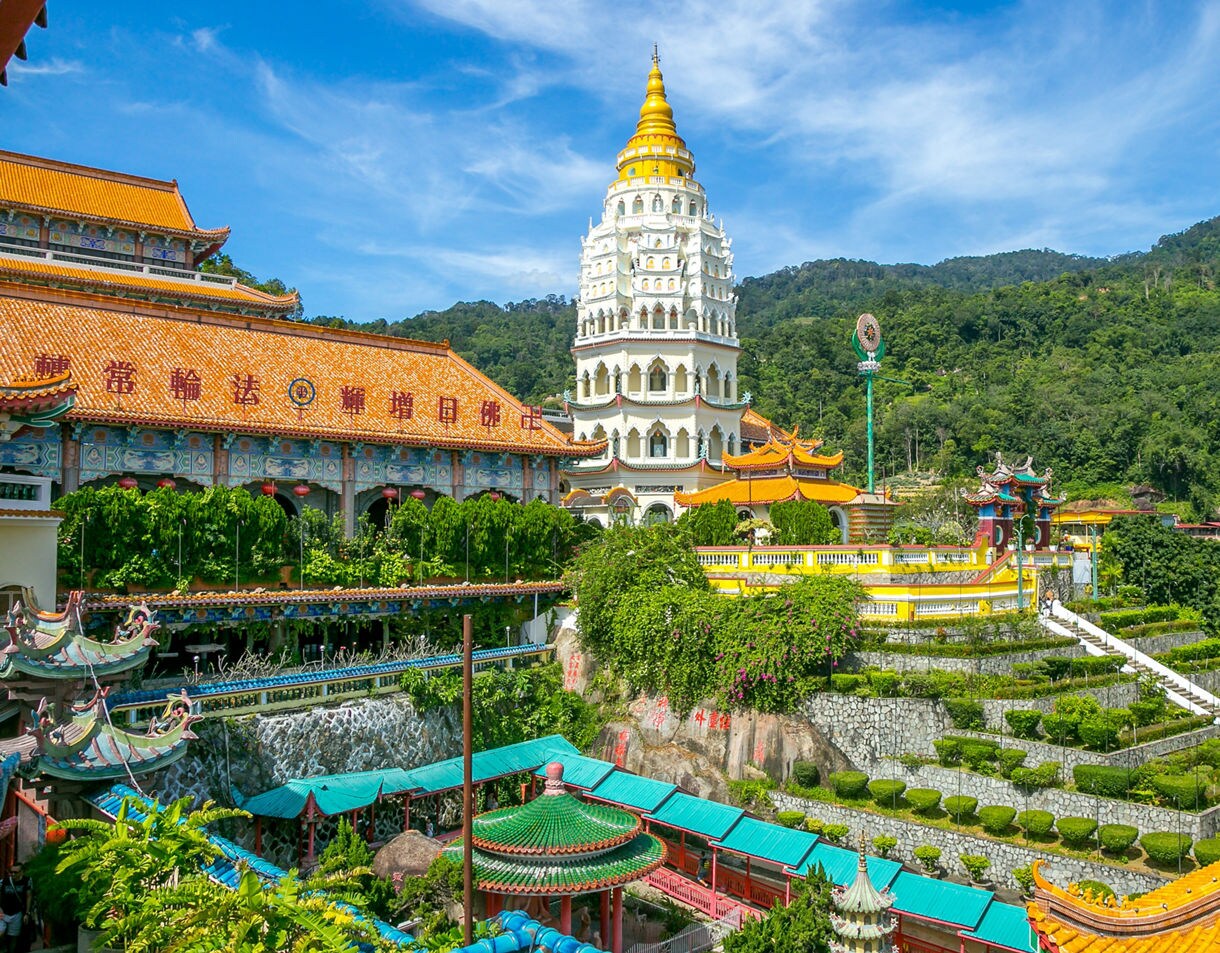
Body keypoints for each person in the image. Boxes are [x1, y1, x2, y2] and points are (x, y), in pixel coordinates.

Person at [0, 865, 27, 953]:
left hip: (16, 913)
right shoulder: (3, 881)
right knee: (1, 933)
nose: (13, 874)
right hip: (3, 912)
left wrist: (27, 913)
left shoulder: (26, 881)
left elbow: (29, 896)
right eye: (11, 872)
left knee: (13, 937)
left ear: (21, 872)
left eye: (15, 872)